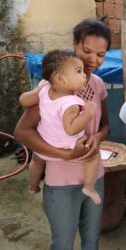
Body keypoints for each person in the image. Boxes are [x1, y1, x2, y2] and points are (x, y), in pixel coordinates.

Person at [15, 18, 111, 249]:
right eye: (86, 51)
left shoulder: (97, 84)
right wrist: (65, 154)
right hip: (61, 182)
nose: (92, 60)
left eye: (100, 54)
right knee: (63, 243)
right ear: (75, 44)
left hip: (94, 176)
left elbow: (105, 126)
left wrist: (96, 138)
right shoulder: (52, 89)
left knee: (91, 240)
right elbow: (22, 131)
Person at [19, 49, 101, 205]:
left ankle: (33, 186)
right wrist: (88, 113)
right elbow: (71, 130)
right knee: (92, 157)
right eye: (78, 71)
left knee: (36, 161)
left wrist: (36, 91)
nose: (84, 75)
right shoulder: (71, 103)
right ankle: (89, 187)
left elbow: (24, 100)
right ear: (60, 78)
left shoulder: (44, 89)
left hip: (44, 144)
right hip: (66, 147)